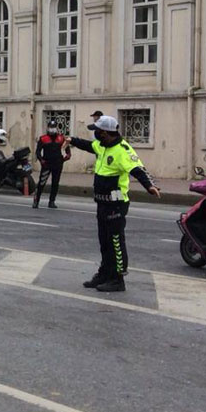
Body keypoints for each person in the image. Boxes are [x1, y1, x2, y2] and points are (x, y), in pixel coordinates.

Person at [68, 115, 160, 292]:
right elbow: (87, 145)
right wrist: (71, 140)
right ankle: (104, 273)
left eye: (97, 131)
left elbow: (138, 169)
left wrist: (150, 186)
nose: (95, 134)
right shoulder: (101, 146)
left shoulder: (122, 150)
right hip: (102, 203)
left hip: (116, 204)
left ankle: (118, 279)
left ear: (105, 132)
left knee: (116, 241)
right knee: (104, 241)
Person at [33, 120, 70, 209]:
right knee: (41, 183)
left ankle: (52, 201)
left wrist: (67, 156)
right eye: (51, 127)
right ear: (48, 128)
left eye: (54, 127)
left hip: (58, 164)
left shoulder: (61, 138)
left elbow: (67, 149)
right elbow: (38, 152)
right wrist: (41, 160)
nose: (52, 129)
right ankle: (36, 201)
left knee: (55, 183)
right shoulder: (43, 138)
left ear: (57, 128)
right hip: (47, 164)